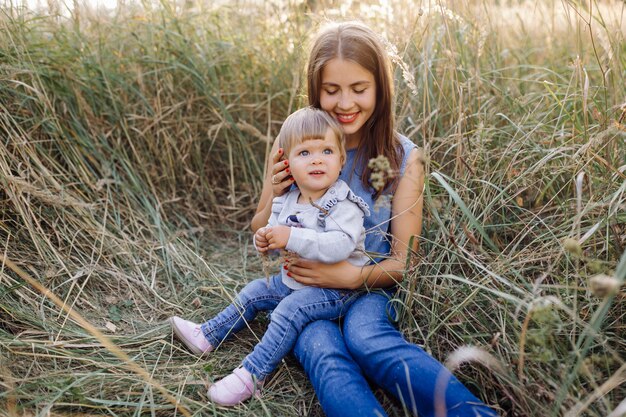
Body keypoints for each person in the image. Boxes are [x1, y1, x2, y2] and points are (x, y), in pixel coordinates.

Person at [252, 21, 499, 417]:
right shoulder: (295, 147)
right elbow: (261, 225)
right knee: (323, 348)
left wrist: (348, 279)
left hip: (371, 287)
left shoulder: (403, 158)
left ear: (380, 89)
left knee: (365, 338)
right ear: (315, 91)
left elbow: (404, 261)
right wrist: (271, 187)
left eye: (359, 89)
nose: (346, 103)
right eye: (331, 91)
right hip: (303, 291)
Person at [169, 106, 371, 406]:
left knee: (289, 310)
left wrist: (291, 237)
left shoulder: (344, 205)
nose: (316, 159)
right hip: (293, 280)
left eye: (326, 151)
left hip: (336, 290)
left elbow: (340, 245)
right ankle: (209, 334)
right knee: (254, 292)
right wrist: (263, 239)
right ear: (287, 163)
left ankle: (253, 374)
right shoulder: (287, 198)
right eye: (305, 153)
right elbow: (271, 229)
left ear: (341, 161)